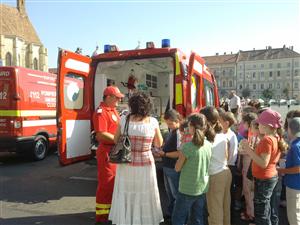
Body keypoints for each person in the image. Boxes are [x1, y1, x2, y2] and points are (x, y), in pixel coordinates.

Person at [109, 92, 164, 225]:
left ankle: (127, 220)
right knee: (144, 192)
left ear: (132, 105)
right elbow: (159, 143)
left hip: (126, 163)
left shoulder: (124, 119)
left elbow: (116, 139)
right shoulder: (153, 122)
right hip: (145, 163)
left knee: (127, 191)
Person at [240, 109, 288, 225]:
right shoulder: (275, 137)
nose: (258, 125)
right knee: (266, 208)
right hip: (269, 177)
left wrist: (247, 149)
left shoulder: (267, 140)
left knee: (262, 212)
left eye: (260, 123)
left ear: (267, 126)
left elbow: (263, 163)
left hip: (264, 179)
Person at [172, 113, 212, 225]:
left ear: (192, 127)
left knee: (178, 217)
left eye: (189, 126)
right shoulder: (209, 144)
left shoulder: (187, 147)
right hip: (202, 187)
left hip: (187, 189)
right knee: (197, 218)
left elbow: (177, 168)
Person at [93, 86, 124, 224]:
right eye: (117, 97)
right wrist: (119, 140)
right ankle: (102, 218)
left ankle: (111, 214)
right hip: (107, 152)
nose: (119, 99)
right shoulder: (101, 112)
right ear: (109, 97)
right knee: (106, 186)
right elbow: (101, 134)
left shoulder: (113, 110)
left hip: (114, 151)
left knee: (114, 184)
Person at [200, 106, 232, 225]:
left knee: (215, 210)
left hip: (215, 175)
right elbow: (227, 156)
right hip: (225, 172)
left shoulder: (207, 139)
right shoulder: (223, 135)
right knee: (225, 207)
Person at [157, 109, 182, 221]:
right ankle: (171, 213)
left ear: (177, 121)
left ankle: (177, 217)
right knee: (170, 193)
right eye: (167, 124)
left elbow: (179, 153)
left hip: (173, 167)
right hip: (167, 167)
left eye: (171, 123)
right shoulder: (172, 131)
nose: (169, 126)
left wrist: (164, 153)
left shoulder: (179, 133)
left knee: (175, 193)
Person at [277, 117, 300, 225]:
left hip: (294, 185)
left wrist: (282, 170)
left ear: (290, 130)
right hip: (296, 184)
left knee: (293, 215)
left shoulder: (295, 146)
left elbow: (298, 168)